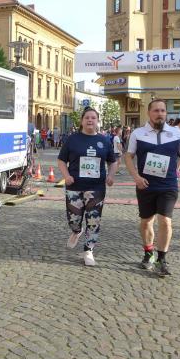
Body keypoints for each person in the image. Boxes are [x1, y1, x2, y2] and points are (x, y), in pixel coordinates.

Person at [124, 99, 180, 277]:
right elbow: (128, 157)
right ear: (149, 113)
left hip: (168, 185)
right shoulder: (138, 133)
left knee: (165, 221)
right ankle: (148, 253)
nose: (160, 114)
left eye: (163, 110)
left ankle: (162, 259)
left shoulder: (176, 133)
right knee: (146, 221)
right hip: (145, 185)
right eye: (156, 110)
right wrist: (136, 177)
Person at [56, 107, 117, 266]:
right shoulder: (72, 139)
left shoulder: (104, 140)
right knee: (73, 219)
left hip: (96, 188)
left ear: (97, 121)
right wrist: (66, 176)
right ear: (82, 121)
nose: (90, 120)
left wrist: (111, 175)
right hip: (74, 186)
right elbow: (61, 160)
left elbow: (113, 161)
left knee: (93, 220)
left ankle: (88, 250)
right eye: (87, 118)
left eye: (93, 118)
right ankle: (76, 231)